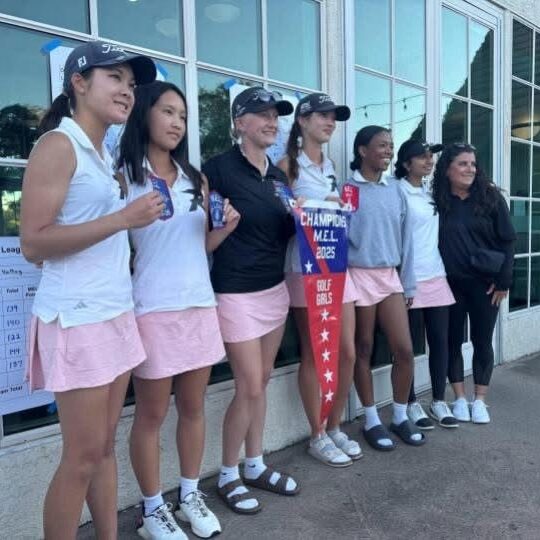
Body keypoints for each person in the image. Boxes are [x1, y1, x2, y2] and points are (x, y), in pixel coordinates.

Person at [20, 41, 158, 539]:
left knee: (103, 447)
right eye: (114, 78)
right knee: (80, 458)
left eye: (130, 81)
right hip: (77, 319)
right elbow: (33, 243)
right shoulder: (58, 145)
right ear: (79, 82)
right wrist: (121, 218)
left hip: (114, 312)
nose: (127, 90)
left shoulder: (102, 152)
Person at [117, 81, 240, 539]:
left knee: (193, 407)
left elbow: (197, 246)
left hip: (198, 305)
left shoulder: (196, 178)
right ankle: (152, 510)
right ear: (144, 114)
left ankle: (188, 494)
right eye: (167, 112)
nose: (176, 123)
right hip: (151, 308)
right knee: (150, 416)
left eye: (183, 116)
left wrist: (224, 230)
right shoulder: (123, 175)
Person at [202, 87, 299, 514]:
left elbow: (287, 231)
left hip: (273, 289)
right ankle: (228, 473)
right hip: (235, 290)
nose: (271, 121)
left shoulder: (278, 178)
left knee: (261, 382)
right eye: (261, 114)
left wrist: (313, 220)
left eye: (276, 115)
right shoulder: (217, 170)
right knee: (250, 384)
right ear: (239, 123)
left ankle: (255, 463)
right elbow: (204, 233)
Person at [277, 93, 361, 467]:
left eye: (333, 118)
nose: (329, 122)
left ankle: (335, 424)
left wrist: (337, 208)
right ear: (303, 120)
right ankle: (317, 434)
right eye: (323, 116)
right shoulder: (286, 166)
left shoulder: (331, 167)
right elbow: (280, 220)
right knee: (315, 353)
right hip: (305, 270)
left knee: (347, 351)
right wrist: (304, 211)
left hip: (337, 267)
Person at [345, 125, 425, 451]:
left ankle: (400, 415)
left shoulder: (396, 189)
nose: (389, 151)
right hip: (359, 276)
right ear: (362, 150)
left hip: (390, 277)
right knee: (362, 348)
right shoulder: (348, 189)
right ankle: (371, 419)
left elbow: (406, 239)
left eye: (391, 145)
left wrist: (408, 284)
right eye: (381, 145)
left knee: (404, 349)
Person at [432, 143, 516, 424]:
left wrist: (504, 280)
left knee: (482, 341)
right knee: (452, 341)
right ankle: (458, 398)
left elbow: (507, 240)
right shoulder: (438, 200)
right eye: (463, 163)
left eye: (473, 164)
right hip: (450, 285)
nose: (470, 169)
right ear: (447, 169)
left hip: (485, 285)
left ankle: (479, 400)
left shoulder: (490, 198)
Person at [394, 140, 458, 429]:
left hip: (436, 274)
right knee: (407, 347)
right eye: (422, 156)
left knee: (440, 342)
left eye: (431, 156)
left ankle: (438, 400)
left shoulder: (430, 192)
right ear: (407, 163)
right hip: (410, 278)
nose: (429, 160)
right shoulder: (397, 191)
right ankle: (409, 403)